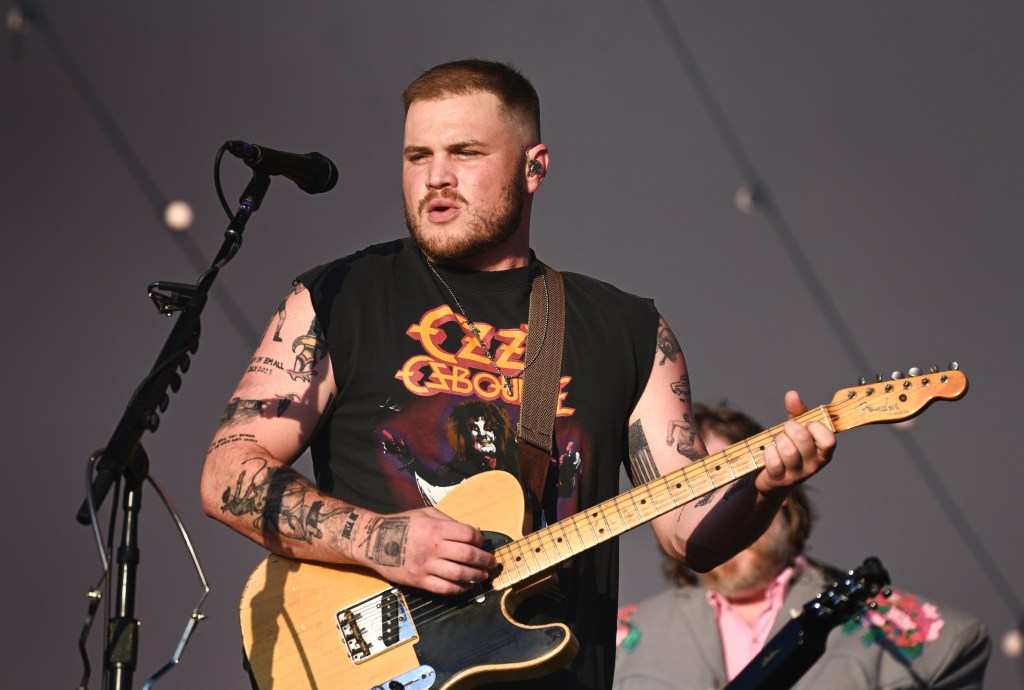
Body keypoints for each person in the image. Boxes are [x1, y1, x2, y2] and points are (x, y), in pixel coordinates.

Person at [199, 59, 837, 690]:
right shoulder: (338, 297)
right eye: (417, 156)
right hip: (373, 665)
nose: (436, 178)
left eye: (465, 152)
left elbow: (688, 533)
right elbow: (229, 471)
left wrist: (764, 490)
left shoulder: (629, 330)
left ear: (534, 167)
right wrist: (379, 538)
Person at [613, 404, 991, 690]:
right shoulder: (609, 644)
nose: (717, 514)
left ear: (780, 494)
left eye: (733, 490)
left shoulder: (935, 642)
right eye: (699, 501)